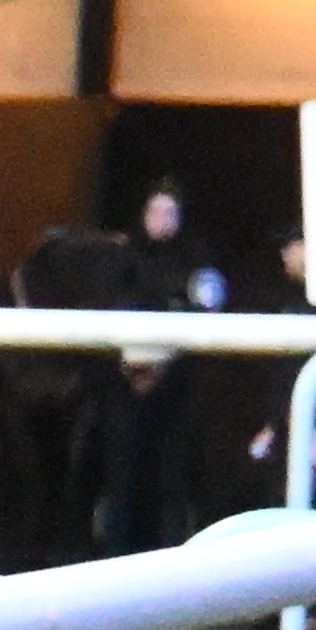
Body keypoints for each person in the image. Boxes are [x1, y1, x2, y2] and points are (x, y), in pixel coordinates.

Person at [103, 181, 223, 554]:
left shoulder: (194, 262)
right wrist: (128, 365)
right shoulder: (120, 258)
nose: (160, 221)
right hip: (123, 389)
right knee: (123, 476)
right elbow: (104, 311)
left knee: (173, 478)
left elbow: (205, 309)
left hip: (177, 391)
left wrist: (163, 366)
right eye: (154, 212)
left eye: (169, 213)